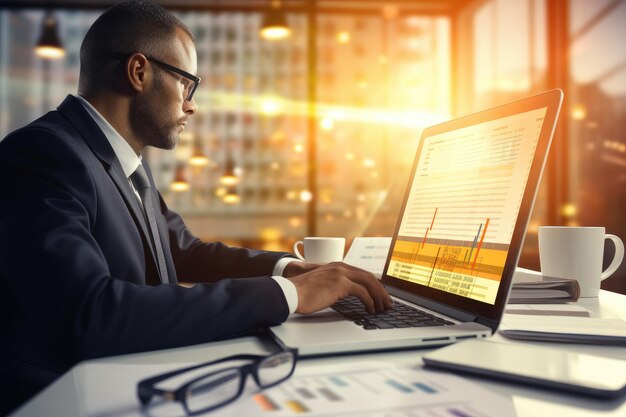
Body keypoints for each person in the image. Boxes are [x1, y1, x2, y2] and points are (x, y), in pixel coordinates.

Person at [0, 1, 391, 413]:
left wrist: (288, 270)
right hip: (62, 400)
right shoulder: (42, 154)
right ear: (138, 72)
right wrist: (288, 295)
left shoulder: (123, 161)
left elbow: (184, 251)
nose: (192, 105)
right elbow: (90, 313)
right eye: (187, 84)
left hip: (127, 379)